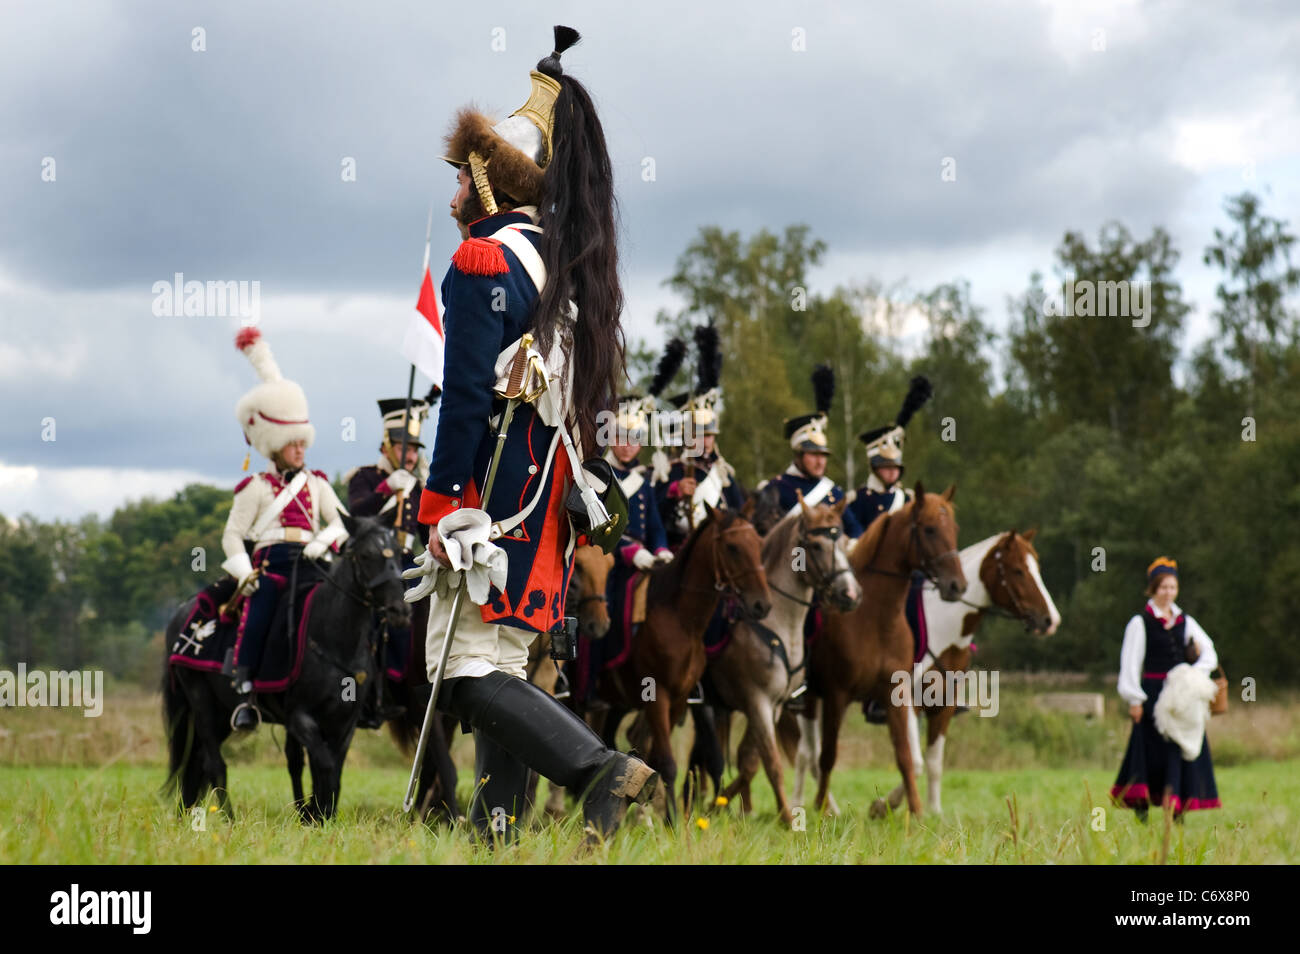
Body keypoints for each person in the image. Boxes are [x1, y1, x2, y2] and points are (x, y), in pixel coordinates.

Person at [406, 25, 658, 842]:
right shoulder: (567, 267)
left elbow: (465, 400)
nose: (452, 192)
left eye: (460, 176)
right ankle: (497, 839)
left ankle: (600, 771)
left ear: (488, 179)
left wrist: (441, 503)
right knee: (505, 665)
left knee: (462, 672)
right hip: (545, 495)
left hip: (492, 494)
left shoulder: (484, 261)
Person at [220, 327, 349, 730]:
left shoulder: (318, 483)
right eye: (292, 442)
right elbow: (232, 536)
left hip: (313, 562)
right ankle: (246, 691)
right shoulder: (255, 487)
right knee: (260, 608)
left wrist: (323, 542)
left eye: (302, 442)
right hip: (270, 566)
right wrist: (245, 574)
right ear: (275, 443)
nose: (300, 449)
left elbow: (342, 523)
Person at [345, 391, 437, 727]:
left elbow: (426, 534)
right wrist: (386, 489)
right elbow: (357, 514)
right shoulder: (365, 477)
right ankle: (370, 689)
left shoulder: (417, 486)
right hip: (373, 565)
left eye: (414, 449)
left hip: (408, 562)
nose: (411, 456)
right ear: (386, 446)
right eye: (404, 448)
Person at [1111, 557, 1221, 820]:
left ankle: (1176, 813)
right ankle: (1142, 813)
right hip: (1152, 696)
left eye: (1172, 587)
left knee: (1177, 751)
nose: (1168, 592)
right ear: (1153, 589)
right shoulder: (1140, 622)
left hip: (1181, 699)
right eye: (1163, 587)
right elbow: (1130, 663)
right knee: (1149, 752)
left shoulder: (1186, 621)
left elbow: (1209, 653)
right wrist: (1134, 699)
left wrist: (1192, 675)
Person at [657, 325, 745, 549]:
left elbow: (739, 517)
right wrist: (674, 493)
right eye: (698, 435)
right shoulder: (671, 472)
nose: (705, 442)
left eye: (709, 436)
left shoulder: (722, 473)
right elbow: (654, 522)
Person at [760, 364, 862, 538]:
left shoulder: (833, 492)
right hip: (793, 555)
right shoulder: (776, 488)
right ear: (799, 455)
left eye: (823, 455)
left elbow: (855, 532)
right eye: (814, 455)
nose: (820, 461)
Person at [846, 375, 933, 531]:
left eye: (896, 467)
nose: (893, 472)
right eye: (887, 467)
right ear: (874, 467)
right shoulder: (858, 499)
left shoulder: (907, 500)